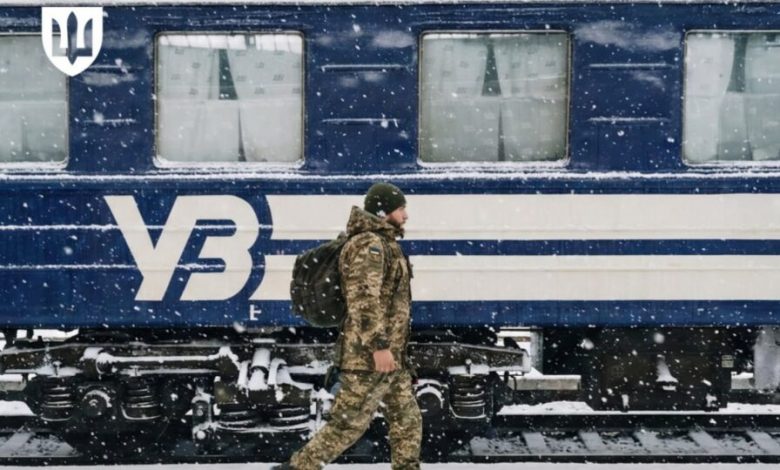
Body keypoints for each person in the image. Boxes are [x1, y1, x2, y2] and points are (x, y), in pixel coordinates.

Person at [274, 182, 422, 470]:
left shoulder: (384, 243)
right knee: (347, 426)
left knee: (407, 420)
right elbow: (363, 301)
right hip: (369, 357)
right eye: (401, 209)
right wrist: (378, 346)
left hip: (391, 357)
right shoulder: (369, 246)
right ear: (383, 212)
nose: (405, 216)